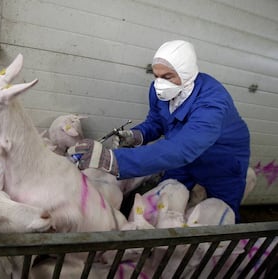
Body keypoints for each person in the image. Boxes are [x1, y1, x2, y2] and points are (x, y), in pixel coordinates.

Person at [67, 40, 250, 222]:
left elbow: (183, 148)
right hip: (178, 154)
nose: (160, 83)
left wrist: (113, 160)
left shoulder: (213, 102)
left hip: (220, 159)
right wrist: (137, 135)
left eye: (168, 76)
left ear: (186, 73)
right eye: (156, 75)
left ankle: (226, 249)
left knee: (221, 213)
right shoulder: (159, 90)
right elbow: (156, 121)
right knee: (169, 195)